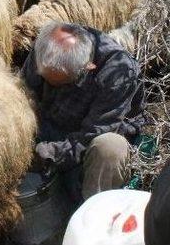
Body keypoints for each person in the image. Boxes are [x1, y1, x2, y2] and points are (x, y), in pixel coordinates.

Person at [21, 22, 145, 201]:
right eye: (45, 78)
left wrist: (44, 154)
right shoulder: (46, 47)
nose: (49, 85)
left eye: (62, 83)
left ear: (88, 67)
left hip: (91, 138)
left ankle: (91, 211)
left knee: (110, 147)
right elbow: (25, 93)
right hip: (50, 122)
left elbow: (92, 134)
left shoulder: (118, 73)